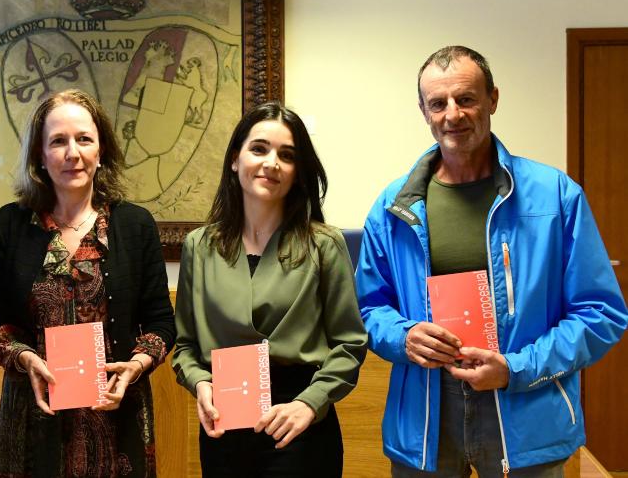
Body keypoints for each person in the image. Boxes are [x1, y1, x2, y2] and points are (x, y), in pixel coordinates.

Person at [356, 45, 628, 477]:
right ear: (424, 112)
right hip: (425, 416)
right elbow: (368, 309)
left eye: (466, 98)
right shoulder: (393, 206)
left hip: (526, 410)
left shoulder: (556, 195)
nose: (453, 114)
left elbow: (601, 314)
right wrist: (403, 337)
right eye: (438, 103)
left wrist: (515, 369)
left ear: (493, 99)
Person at [0, 89, 176, 477]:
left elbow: (161, 323)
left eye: (84, 139)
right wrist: (24, 358)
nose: (73, 152)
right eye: (58, 141)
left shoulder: (135, 225)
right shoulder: (11, 224)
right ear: (40, 155)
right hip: (33, 415)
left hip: (117, 415)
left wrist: (135, 366)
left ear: (101, 150)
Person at [171, 102, 368, 477]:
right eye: (259, 149)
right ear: (235, 159)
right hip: (224, 422)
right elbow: (185, 346)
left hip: (300, 422)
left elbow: (350, 344)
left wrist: (310, 403)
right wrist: (201, 384)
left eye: (287, 155)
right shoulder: (200, 245)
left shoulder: (324, 245)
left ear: (298, 172)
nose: (272, 163)